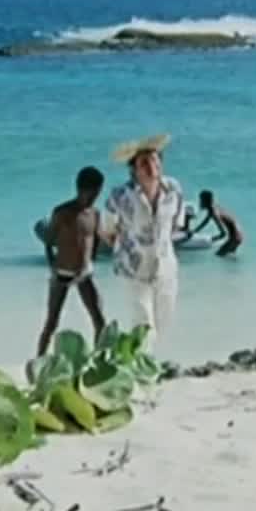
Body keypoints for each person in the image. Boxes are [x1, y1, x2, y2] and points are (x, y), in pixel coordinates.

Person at [97, 133, 184, 352]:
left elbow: (176, 224)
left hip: (165, 267)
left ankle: (155, 362)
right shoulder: (120, 196)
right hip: (133, 269)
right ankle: (141, 363)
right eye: (144, 163)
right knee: (143, 322)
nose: (151, 166)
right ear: (134, 170)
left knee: (164, 320)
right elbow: (107, 231)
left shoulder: (173, 190)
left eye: (155, 161)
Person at [36, 166, 108, 360]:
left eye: (98, 192)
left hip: (84, 274)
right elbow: (49, 240)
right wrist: (52, 265)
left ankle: (99, 359)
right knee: (52, 322)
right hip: (62, 273)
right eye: (94, 192)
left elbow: (96, 240)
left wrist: (90, 262)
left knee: (99, 319)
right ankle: (39, 360)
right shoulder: (62, 212)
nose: (95, 196)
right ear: (82, 190)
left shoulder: (95, 214)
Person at [191, 190, 245, 257]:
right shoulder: (214, 208)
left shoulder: (214, 212)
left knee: (218, 255)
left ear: (205, 201)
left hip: (234, 237)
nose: (200, 202)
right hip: (239, 235)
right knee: (229, 258)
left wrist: (211, 239)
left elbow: (223, 233)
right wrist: (193, 232)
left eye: (201, 200)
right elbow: (205, 222)